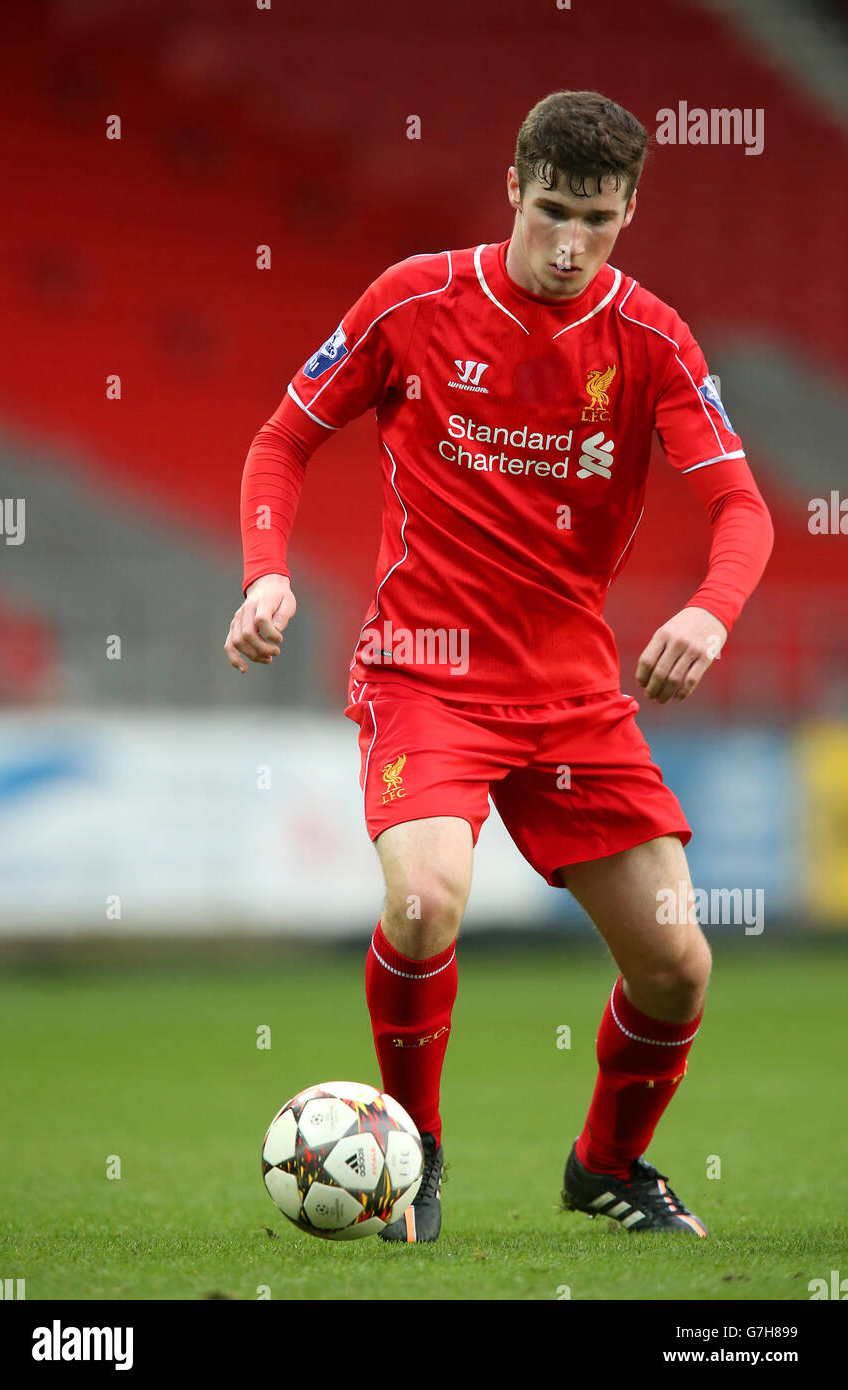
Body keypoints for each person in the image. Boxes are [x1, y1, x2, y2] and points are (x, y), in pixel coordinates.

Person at [225, 90, 773, 1243]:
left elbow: (739, 508)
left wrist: (712, 612)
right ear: (511, 189)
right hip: (423, 674)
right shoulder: (413, 299)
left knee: (676, 961)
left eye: (597, 220)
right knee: (423, 900)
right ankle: (412, 1151)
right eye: (552, 211)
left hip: (573, 696)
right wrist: (264, 571)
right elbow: (284, 438)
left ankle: (606, 1164)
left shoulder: (652, 338)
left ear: (629, 211)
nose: (570, 245)